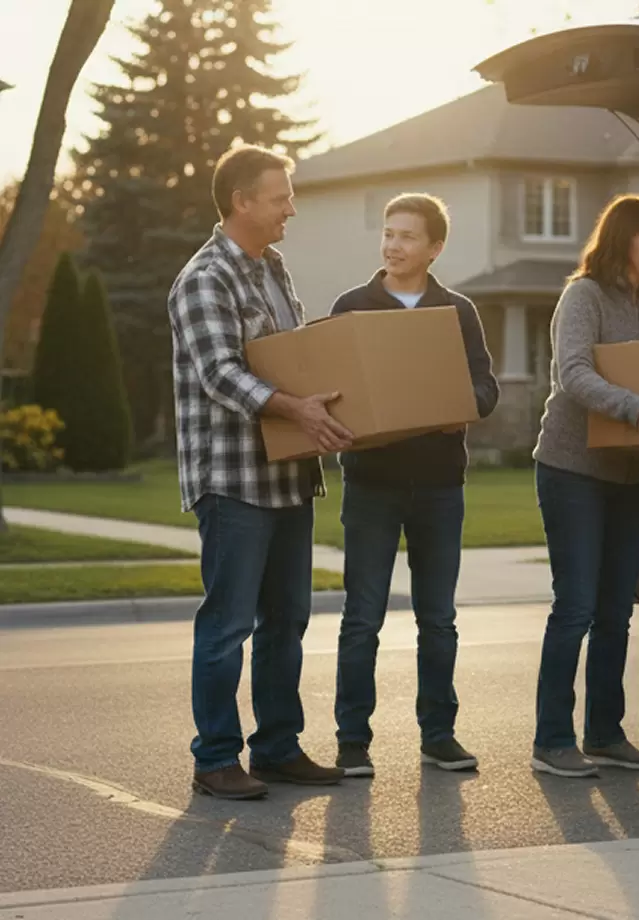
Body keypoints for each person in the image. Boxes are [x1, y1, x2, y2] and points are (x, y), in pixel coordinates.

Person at [169, 144, 354, 799]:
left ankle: (276, 748)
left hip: (288, 477)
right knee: (228, 626)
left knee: (287, 620)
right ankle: (216, 758)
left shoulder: (274, 268)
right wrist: (296, 408)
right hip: (234, 481)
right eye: (280, 198)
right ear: (241, 201)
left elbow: (292, 358)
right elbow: (220, 373)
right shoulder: (204, 278)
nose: (290, 209)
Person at [329, 193, 499, 777]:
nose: (393, 245)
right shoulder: (352, 306)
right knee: (362, 618)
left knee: (438, 618)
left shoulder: (457, 311)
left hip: (438, 485)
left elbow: (486, 388)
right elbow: (333, 385)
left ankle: (439, 735)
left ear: (434, 248)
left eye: (406, 236)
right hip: (371, 485)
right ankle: (352, 742)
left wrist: (460, 406)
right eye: (388, 233)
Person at [530, 194, 639, 778]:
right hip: (572, 469)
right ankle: (551, 741)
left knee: (617, 610)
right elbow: (573, 374)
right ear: (624, 239)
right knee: (576, 606)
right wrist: (635, 406)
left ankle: (605, 734)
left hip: (628, 472)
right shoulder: (583, 296)